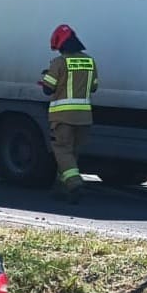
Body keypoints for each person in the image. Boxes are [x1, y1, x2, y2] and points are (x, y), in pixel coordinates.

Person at [39, 24, 97, 203]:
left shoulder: (59, 62)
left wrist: (45, 76)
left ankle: (74, 184)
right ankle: (61, 187)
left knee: (62, 151)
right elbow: (94, 87)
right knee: (72, 154)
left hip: (62, 117)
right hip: (84, 117)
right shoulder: (89, 61)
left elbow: (48, 89)